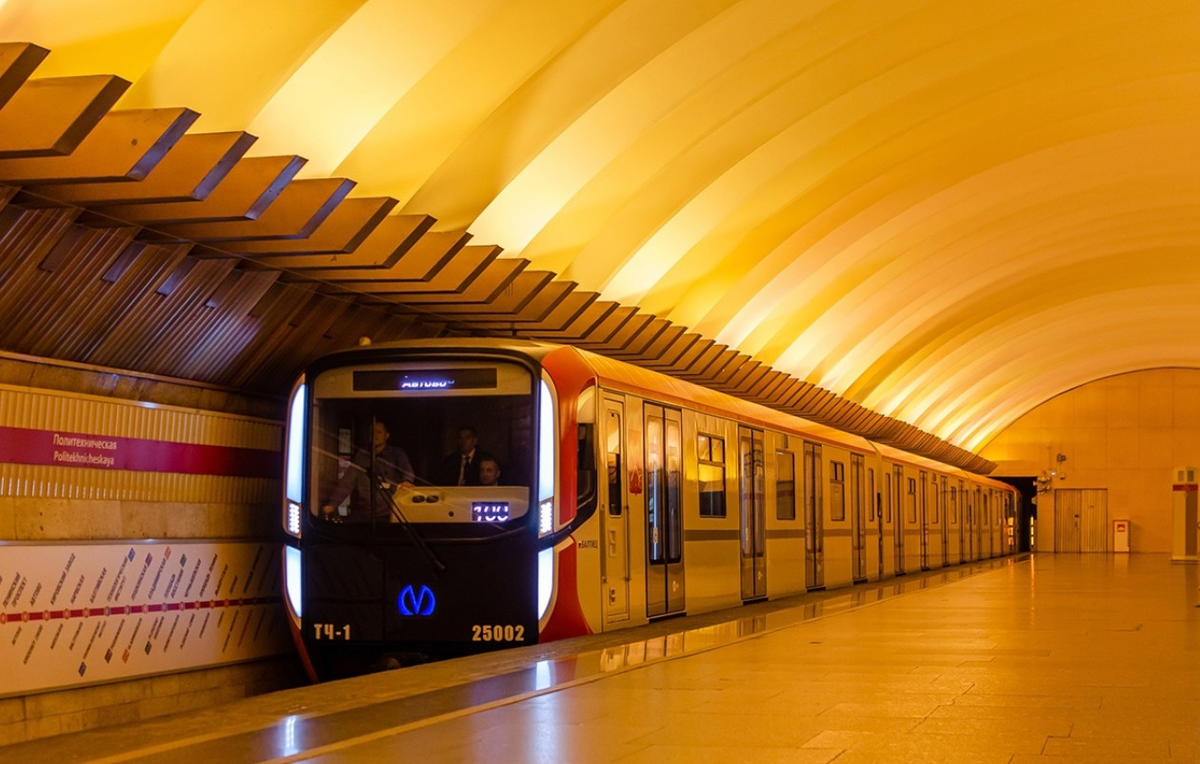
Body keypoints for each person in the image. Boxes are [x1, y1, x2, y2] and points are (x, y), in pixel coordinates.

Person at [322, 420, 414, 520]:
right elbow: (347, 483)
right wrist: (332, 505)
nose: (375, 435)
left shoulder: (397, 454)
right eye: (372, 432)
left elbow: (407, 470)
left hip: (390, 514)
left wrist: (407, 481)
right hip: (364, 514)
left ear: (387, 435)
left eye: (379, 432)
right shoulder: (361, 456)